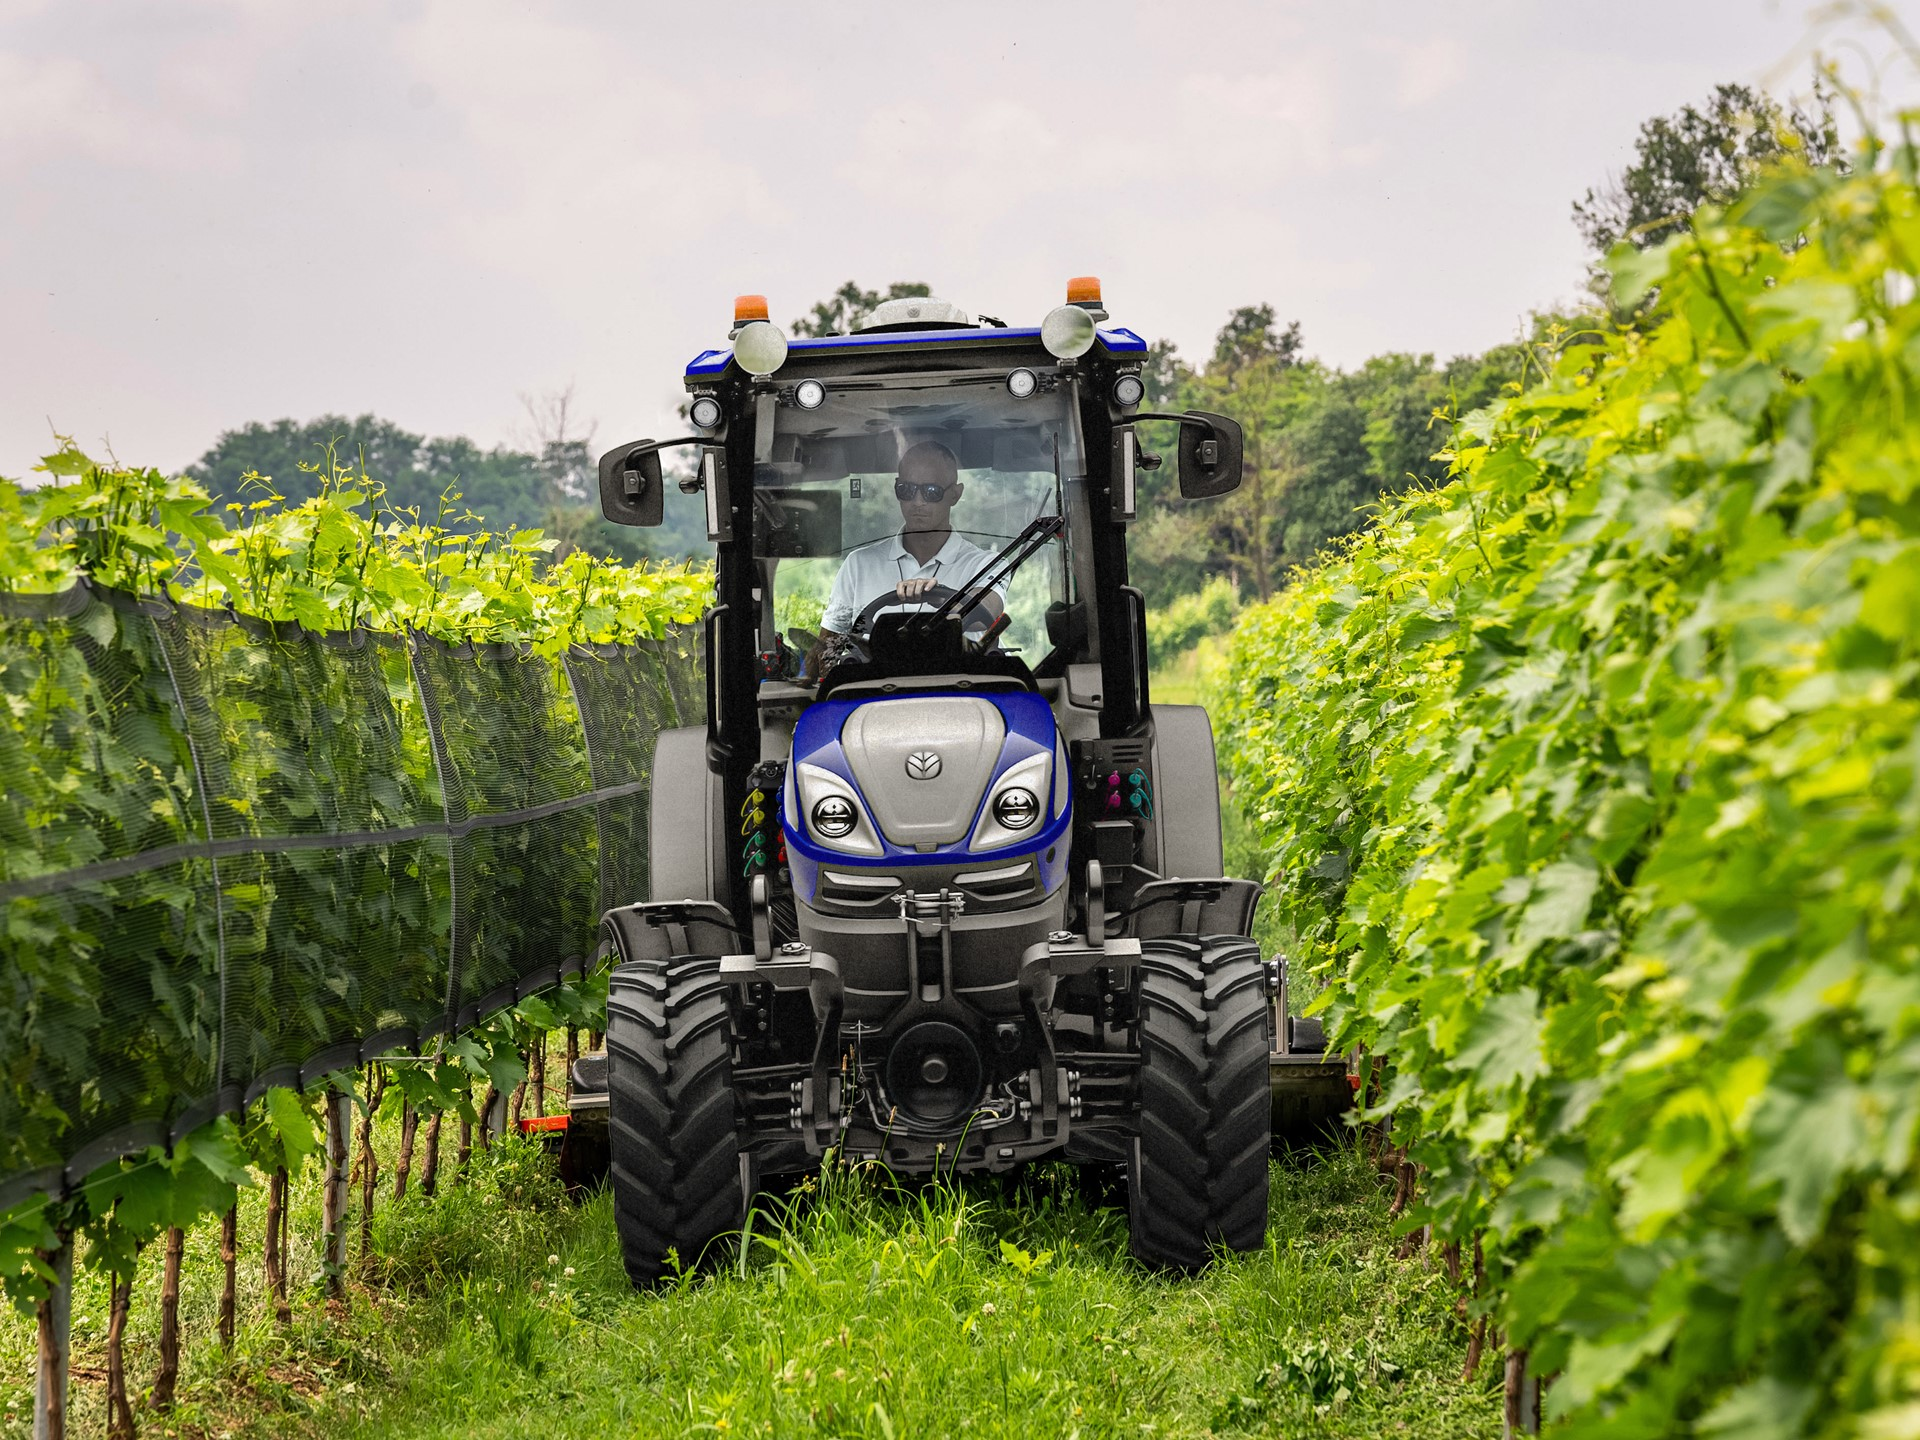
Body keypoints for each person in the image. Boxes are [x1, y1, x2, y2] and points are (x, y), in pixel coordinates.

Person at [813, 441, 1006, 663]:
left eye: (931, 492)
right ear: (896, 488)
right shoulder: (858, 565)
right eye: (906, 490)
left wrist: (943, 600)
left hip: (960, 694)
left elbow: (987, 609)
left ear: (955, 494)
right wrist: (807, 676)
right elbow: (827, 650)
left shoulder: (986, 564)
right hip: (876, 695)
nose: (917, 502)